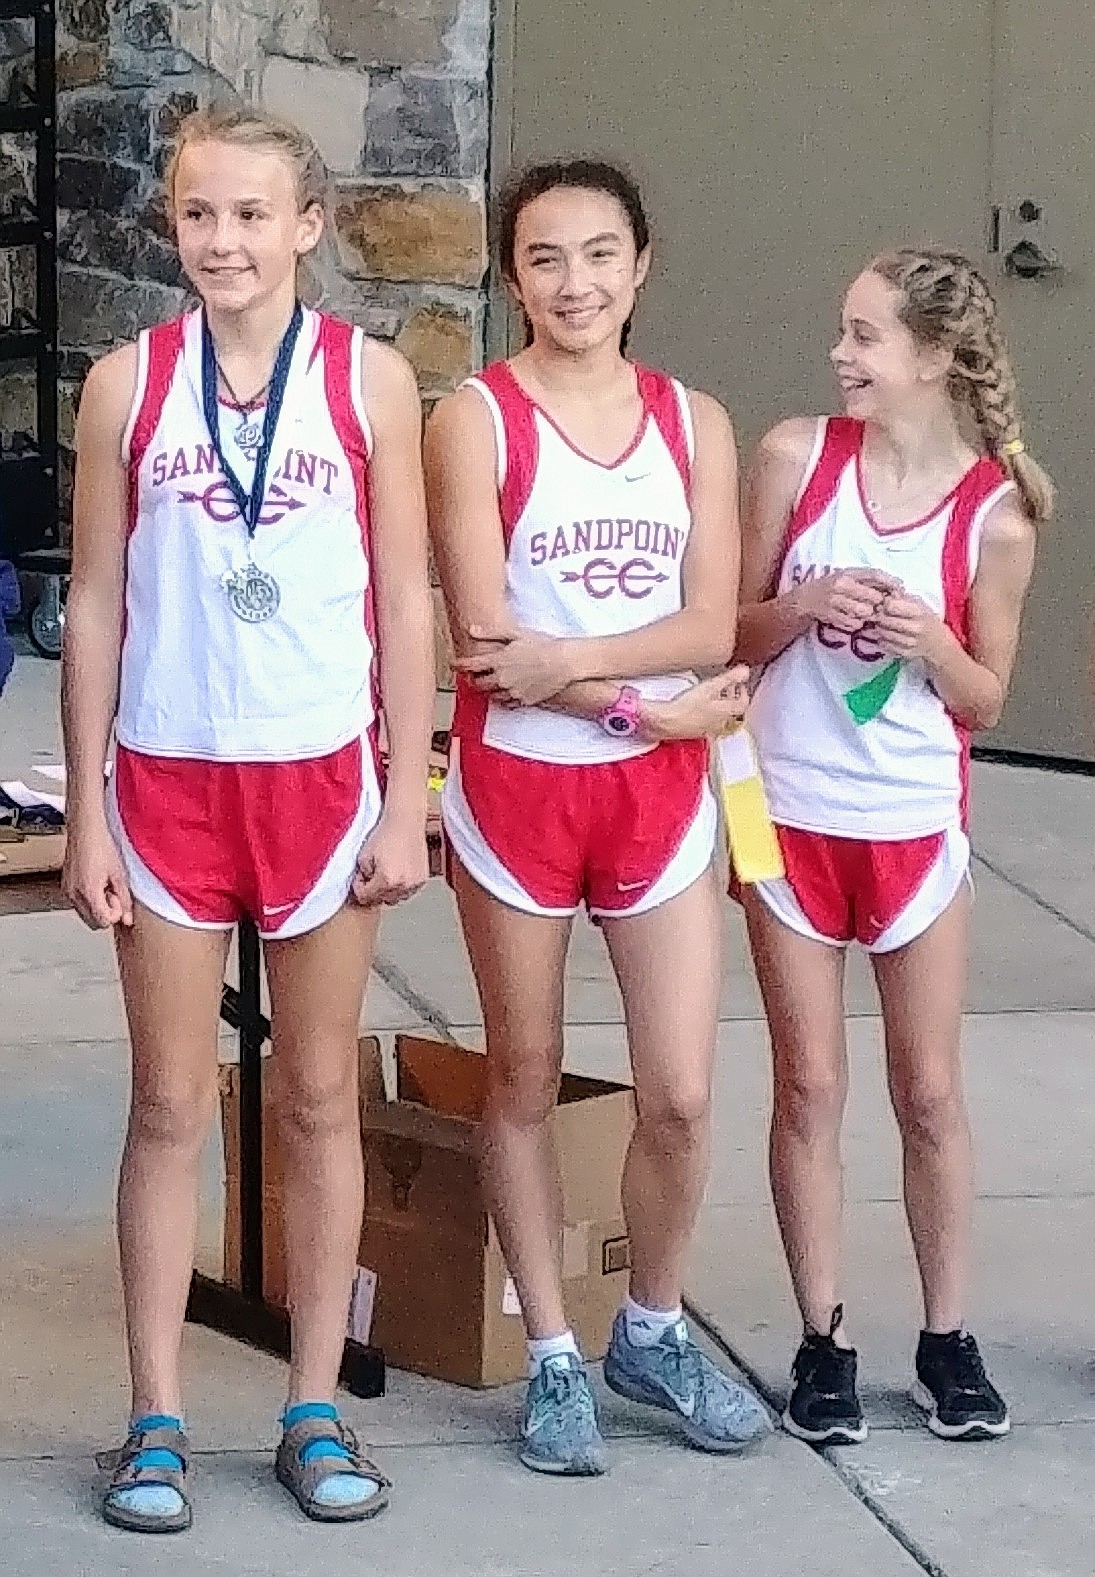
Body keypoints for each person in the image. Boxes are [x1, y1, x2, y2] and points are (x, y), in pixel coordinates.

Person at [61, 105, 434, 1529]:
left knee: (317, 1097)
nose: (223, 240)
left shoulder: (370, 382)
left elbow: (404, 598)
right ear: (173, 226)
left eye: (249, 215)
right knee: (166, 1103)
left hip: (318, 779)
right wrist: (89, 807)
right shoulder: (122, 385)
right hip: (166, 777)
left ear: (307, 226)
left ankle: (313, 1404)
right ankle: (153, 1414)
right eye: (198, 214)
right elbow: (95, 603)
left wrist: (407, 796)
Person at [425, 159, 771, 1477]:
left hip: (656, 798)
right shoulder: (473, 421)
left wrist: (590, 683)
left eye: (598, 254)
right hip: (521, 788)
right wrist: (646, 705)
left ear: (641, 266)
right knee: (517, 1077)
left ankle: (650, 1324)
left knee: (676, 1093)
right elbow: (485, 643)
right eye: (545, 257)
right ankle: (554, 1355)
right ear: (511, 276)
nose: (573, 282)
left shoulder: (693, 422)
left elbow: (708, 621)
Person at [735, 248, 1054, 1445]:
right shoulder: (793, 458)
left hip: (914, 826)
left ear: (931, 357)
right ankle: (826, 1336)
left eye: (865, 337)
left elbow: (987, 700)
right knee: (809, 1083)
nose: (840, 355)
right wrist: (805, 608)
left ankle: (946, 1333)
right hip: (787, 816)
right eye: (842, 329)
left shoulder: (997, 516)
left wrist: (924, 636)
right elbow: (732, 621)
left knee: (927, 1089)